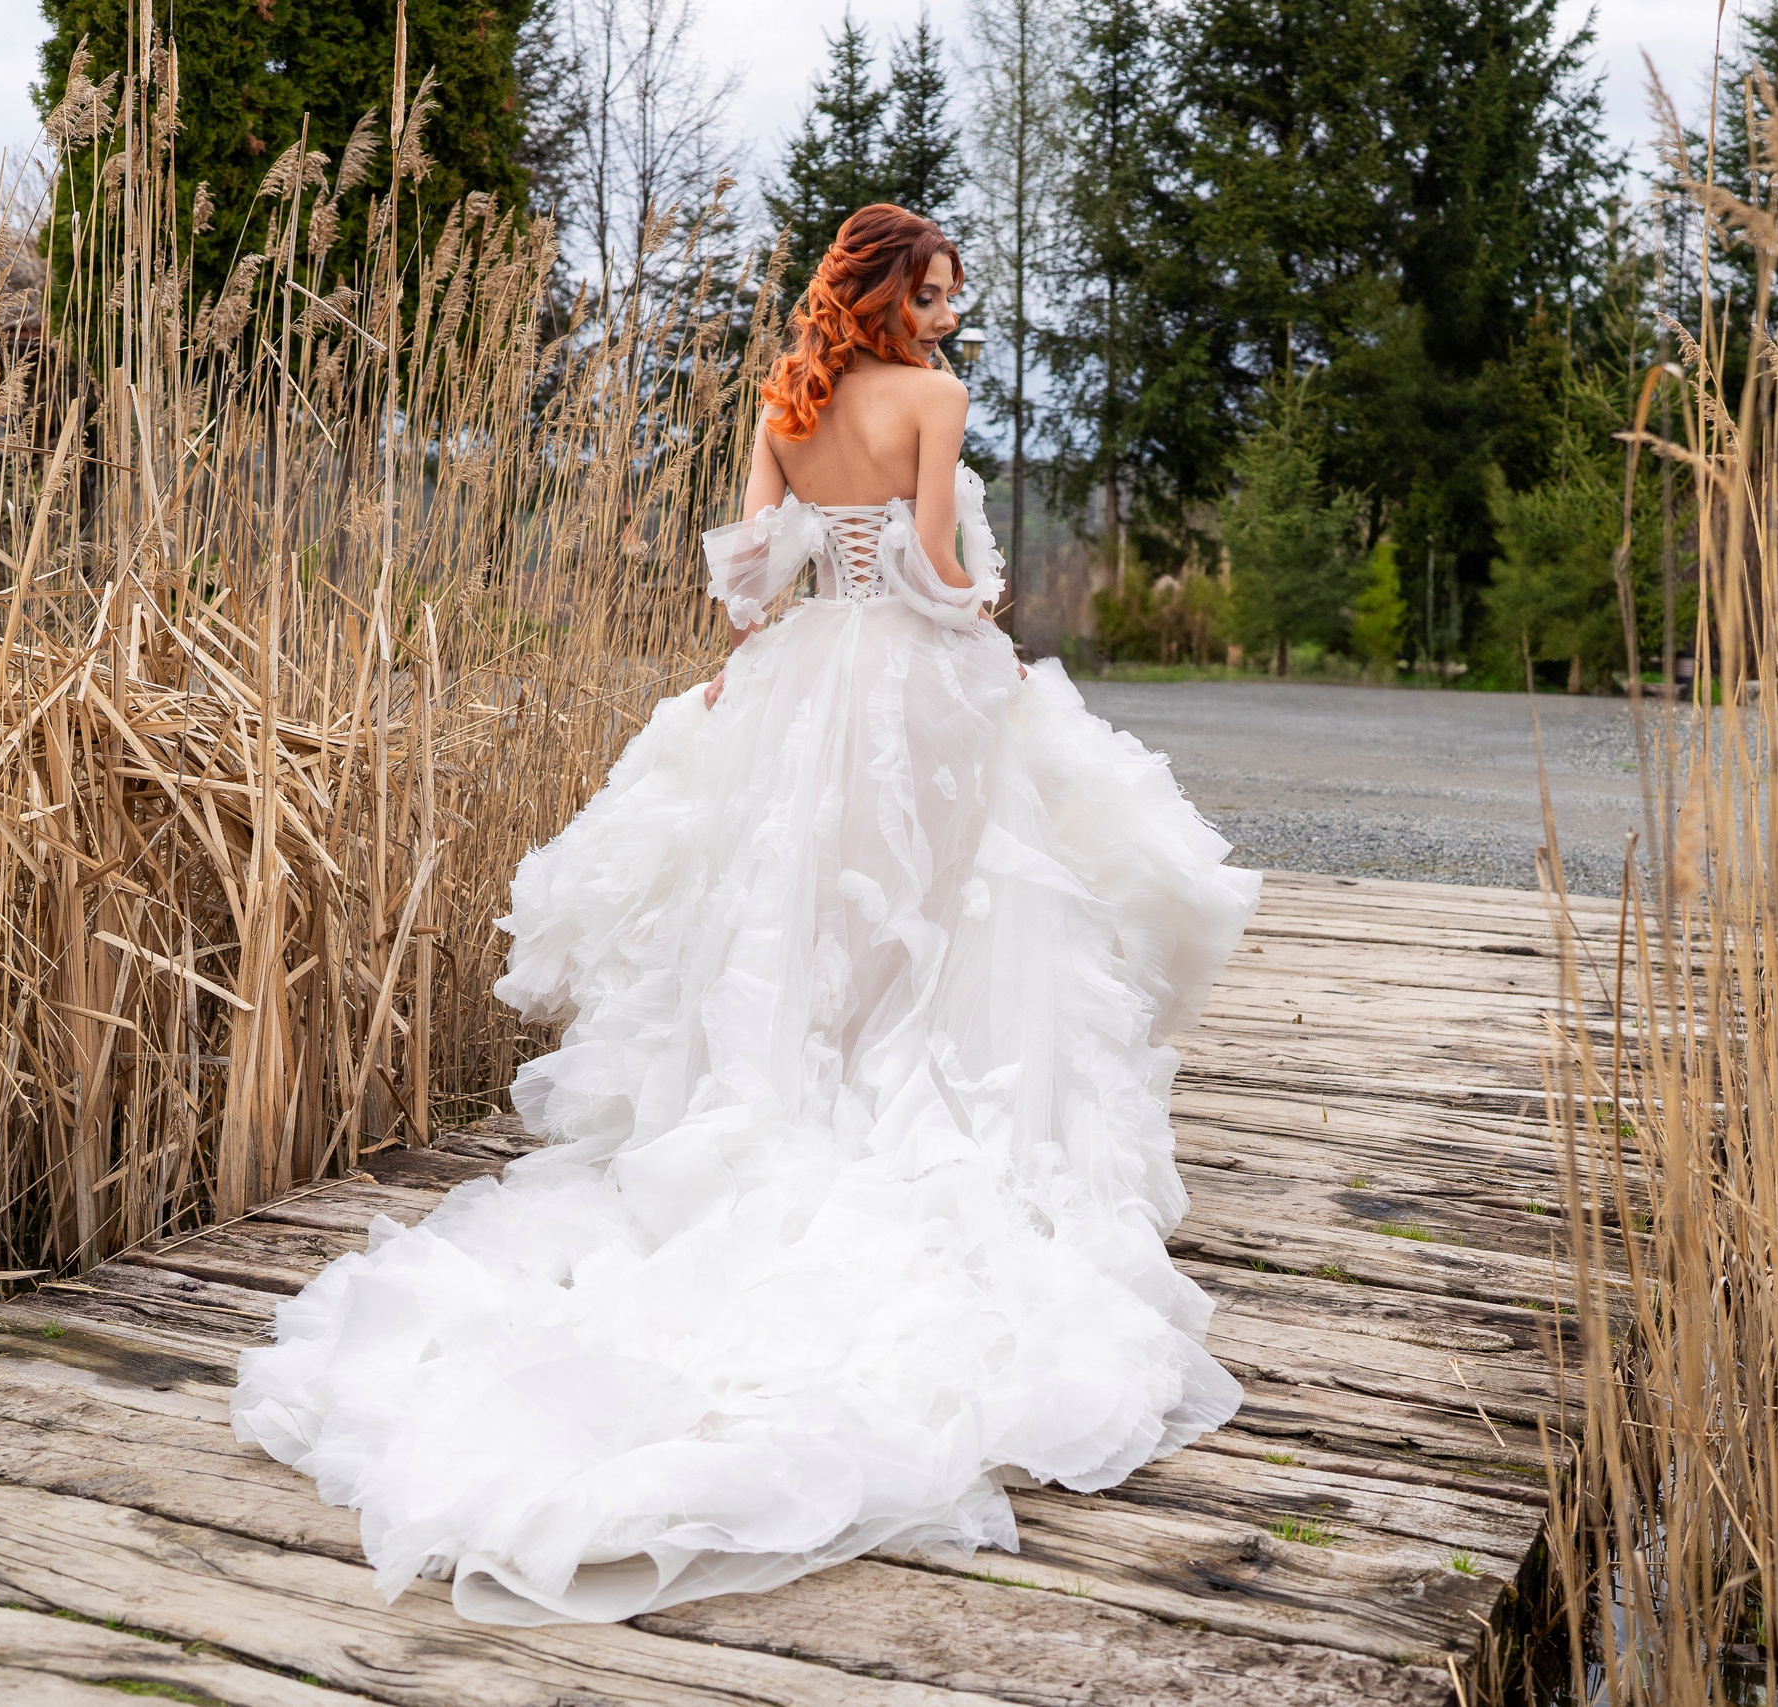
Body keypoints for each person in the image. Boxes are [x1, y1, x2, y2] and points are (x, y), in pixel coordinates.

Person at [231, 204, 1261, 1627]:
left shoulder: (787, 403)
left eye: (954, 296)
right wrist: (991, 606)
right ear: (886, 295)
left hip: (803, 678)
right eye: (935, 293)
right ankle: (889, 1099)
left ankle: (807, 1089)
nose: (950, 316)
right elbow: (935, 572)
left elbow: (745, 588)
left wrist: (785, 629)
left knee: (800, 907)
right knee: (939, 909)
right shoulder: (934, 402)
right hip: (913, 684)